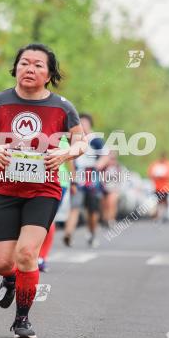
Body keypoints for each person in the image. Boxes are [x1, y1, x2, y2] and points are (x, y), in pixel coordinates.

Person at [0, 43, 86, 338]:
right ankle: (10, 279)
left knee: (26, 253)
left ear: (48, 74)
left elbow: (81, 143)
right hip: (4, 189)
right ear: (15, 68)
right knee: (2, 263)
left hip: (43, 190)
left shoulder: (62, 107)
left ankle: (22, 319)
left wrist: (65, 154)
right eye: (24, 63)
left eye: (37, 65)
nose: (29, 69)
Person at [62, 113, 108, 248]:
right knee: (74, 206)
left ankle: (92, 233)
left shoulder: (96, 140)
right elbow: (69, 158)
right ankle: (68, 234)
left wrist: (99, 164)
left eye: (85, 123)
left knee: (92, 211)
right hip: (78, 178)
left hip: (92, 179)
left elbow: (105, 155)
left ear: (90, 124)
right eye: (80, 123)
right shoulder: (73, 139)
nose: (83, 126)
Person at [37, 135, 73, 273]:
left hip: (58, 182)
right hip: (36, 180)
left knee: (48, 218)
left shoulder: (60, 136)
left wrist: (73, 180)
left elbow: (70, 160)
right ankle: (35, 255)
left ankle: (42, 257)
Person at [147, 152, 169, 222]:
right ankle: (158, 216)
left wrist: (162, 175)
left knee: (165, 201)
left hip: (166, 187)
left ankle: (165, 215)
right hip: (157, 187)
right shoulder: (155, 164)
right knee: (158, 201)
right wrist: (155, 175)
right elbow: (150, 173)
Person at [100, 150, 121, 228]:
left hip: (113, 188)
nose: (112, 160)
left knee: (112, 203)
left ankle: (111, 219)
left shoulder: (117, 166)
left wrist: (118, 188)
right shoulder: (104, 167)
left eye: (113, 158)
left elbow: (120, 178)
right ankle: (105, 219)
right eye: (111, 158)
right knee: (105, 205)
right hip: (104, 188)